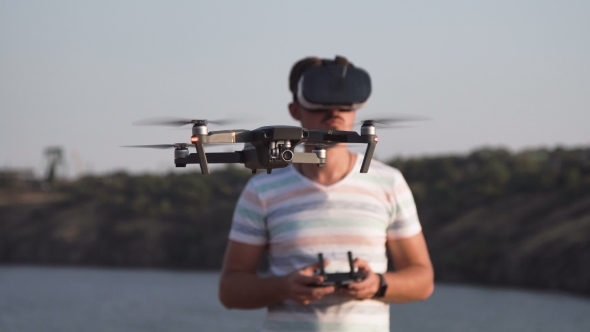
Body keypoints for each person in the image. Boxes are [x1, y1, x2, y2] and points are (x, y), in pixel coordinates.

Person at [219, 56, 434, 332]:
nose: (334, 112)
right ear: (295, 110)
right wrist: (285, 287)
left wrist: (377, 284)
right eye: (321, 102)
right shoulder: (262, 190)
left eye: (344, 104)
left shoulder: (389, 183)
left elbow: (423, 279)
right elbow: (230, 289)